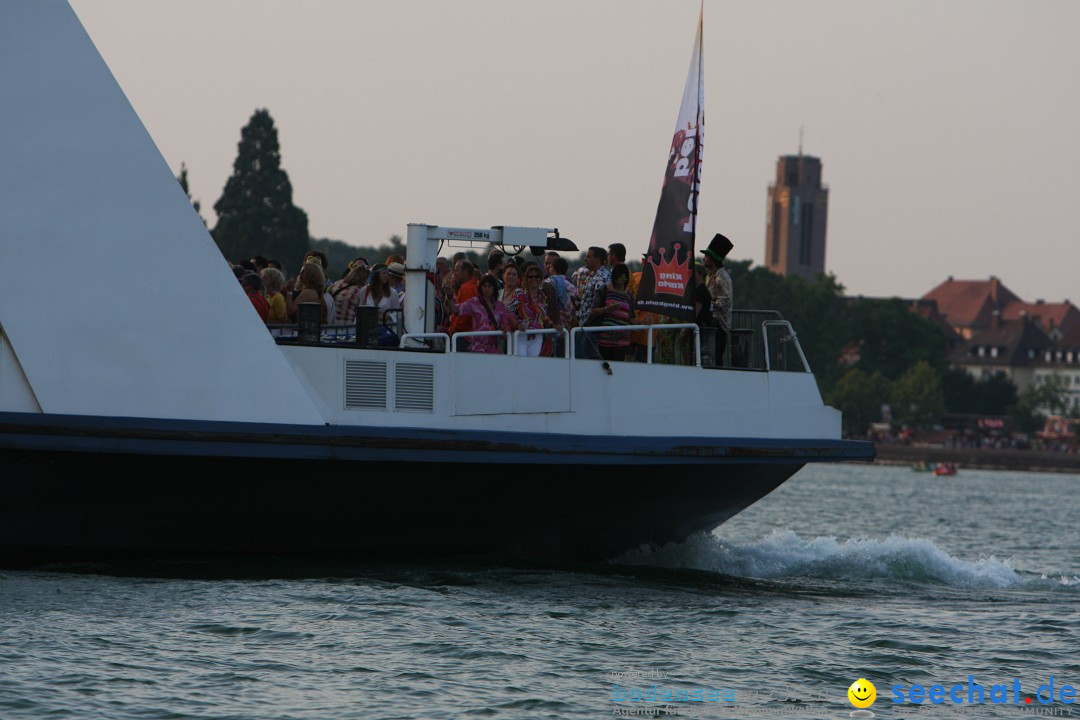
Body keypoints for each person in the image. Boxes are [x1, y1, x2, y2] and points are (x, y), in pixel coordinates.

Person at [446, 274, 517, 353]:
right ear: (480, 288)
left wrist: (504, 330)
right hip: (477, 348)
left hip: (494, 350)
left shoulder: (500, 306)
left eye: (489, 286)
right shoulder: (474, 302)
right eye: (484, 286)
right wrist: (449, 296)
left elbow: (505, 328)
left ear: (494, 288)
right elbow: (455, 310)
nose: (487, 289)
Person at [589, 263, 635, 361]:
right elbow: (593, 310)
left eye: (624, 279)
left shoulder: (629, 294)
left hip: (622, 339)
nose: (621, 282)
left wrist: (642, 323)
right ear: (614, 277)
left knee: (618, 367)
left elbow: (631, 317)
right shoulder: (604, 289)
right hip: (605, 337)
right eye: (618, 279)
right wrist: (607, 309)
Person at [702, 232, 734, 363]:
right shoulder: (712, 275)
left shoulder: (721, 278)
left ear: (712, 259)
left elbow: (726, 301)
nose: (704, 258)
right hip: (713, 322)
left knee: (716, 356)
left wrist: (709, 304)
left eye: (706, 256)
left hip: (719, 324)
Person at [576, 246, 611, 357]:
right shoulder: (594, 275)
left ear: (597, 259)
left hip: (591, 327)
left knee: (586, 363)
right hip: (586, 325)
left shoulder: (602, 277)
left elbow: (600, 302)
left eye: (588, 256)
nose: (585, 259)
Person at [514, 261, 555, 357]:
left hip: (537, 335)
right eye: (530, 276)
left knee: (533, 365)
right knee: (521, 364)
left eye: (536, 277)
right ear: (526, 279)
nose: (534, 279)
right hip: (521, 335)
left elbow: (543, 316)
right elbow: (509, 314)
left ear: (541, 279)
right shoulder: (519, 294)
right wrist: (517, 324)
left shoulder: (543, 297)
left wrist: (553, 324)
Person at [359, 263, 402, 345]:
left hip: (386, 331)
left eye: (387, 273)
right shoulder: (364, 291)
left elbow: (397, 313)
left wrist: (386, 316)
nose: (387, 276)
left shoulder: (392, 293)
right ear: (376, 275)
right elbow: (360, 311)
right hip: (367, 331)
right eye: (383, 273)